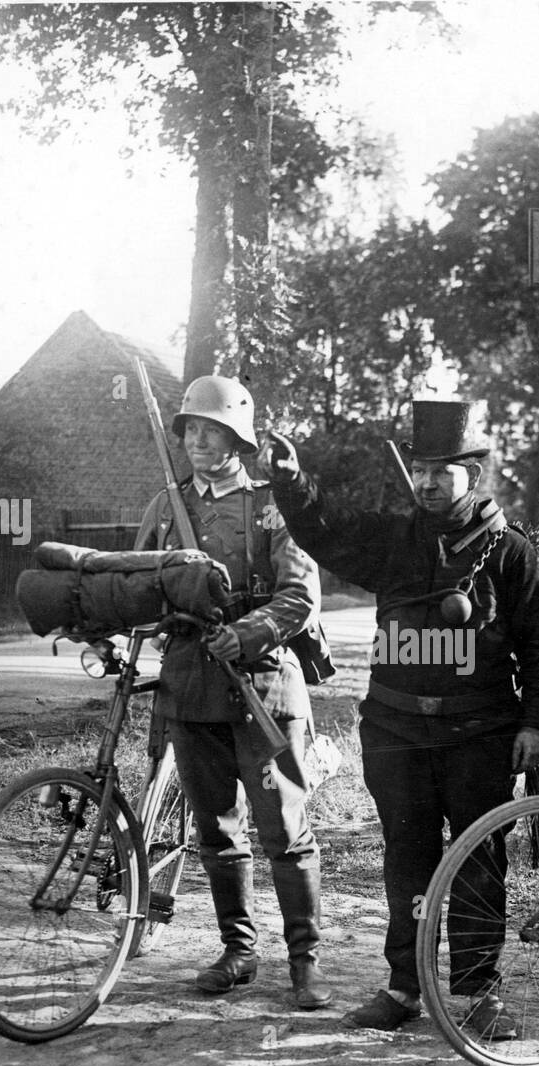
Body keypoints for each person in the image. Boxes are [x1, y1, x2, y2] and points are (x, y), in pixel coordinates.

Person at [267, 400, 539, 1034]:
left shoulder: (512, 553)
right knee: (407, 858)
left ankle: (479, 994)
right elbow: (327, 527)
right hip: (396, 732)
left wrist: (535, 723)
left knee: (480, 860)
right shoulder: (393, 540)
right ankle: (405, 986)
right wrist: (292, 481)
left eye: (443, 471)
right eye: (421, 469)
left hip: (480, 736)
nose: (427, 482)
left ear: (473, 475)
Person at [135, 375, 332, 1010]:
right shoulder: (168, 507)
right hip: (191, 686)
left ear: (236, 440)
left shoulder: (271, 505)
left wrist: (246, 635)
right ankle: (239, 951)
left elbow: (300, 595)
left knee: (284, 830)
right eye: (190, 429)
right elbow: (139, 584)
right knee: (215, 828)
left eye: (211, 430)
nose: (197, 439)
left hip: (263, 684)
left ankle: (304, 963)